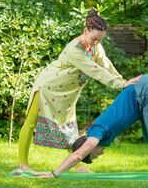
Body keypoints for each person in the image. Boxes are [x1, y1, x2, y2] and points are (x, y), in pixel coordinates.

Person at [18, 9, 141, 173]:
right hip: (47, 88)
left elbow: (106, 64)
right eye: (94, 38)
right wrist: (120, 85)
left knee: (69, 131)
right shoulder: (74, 49)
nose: (96, 42)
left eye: (100, 40)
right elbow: (94, 70)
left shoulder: (94, 47)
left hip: (66, 94)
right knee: (31, 122)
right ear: (85, 30)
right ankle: (23, 165)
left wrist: (122, 81)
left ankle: (78, 166)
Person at [33, 74, 148, 180]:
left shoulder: (95, 133)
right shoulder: (97, 133)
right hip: (141, 96)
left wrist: (54, 174)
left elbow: (78, 154)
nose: (100, 154)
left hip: (144, 90)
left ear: (91, 148)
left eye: (94, 155)